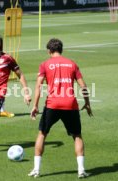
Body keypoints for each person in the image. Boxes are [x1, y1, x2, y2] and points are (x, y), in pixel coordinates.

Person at [28, 38, 93, 178]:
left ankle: (36, 170)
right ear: (61, 50)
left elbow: (38, 86)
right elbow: (83, 86)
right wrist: (87, 102)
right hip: (70, 104)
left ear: (49, 51)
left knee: (42, 134)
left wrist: (35, 106)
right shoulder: (72, 64)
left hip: (52, 104)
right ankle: (81, 170)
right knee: (77, 135)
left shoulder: (45, 64)